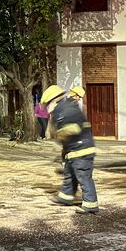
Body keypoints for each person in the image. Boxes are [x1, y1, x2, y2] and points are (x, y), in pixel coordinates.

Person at [40, 85, 99, 214]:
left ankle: (90, 204)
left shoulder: (65, 110)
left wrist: (59, 135)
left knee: (83, 177)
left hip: (81, 150)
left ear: (53, 100)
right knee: (70, 174)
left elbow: (72, 130)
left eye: (47, 104)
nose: (47, 108)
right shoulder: (62, 109)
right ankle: (65, 198)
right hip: (73, 150)